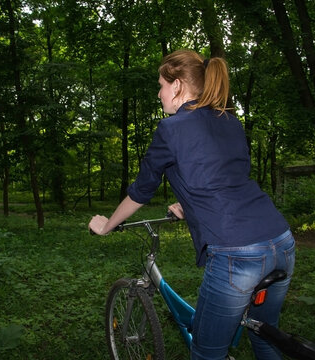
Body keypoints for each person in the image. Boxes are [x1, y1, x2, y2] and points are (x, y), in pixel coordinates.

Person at [88, 49, 295, 360]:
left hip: (237, 254)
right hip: (281, 242)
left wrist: (106, 226)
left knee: (207, 352)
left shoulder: (171, 129)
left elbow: (141, 191)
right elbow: (228, 178)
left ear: (177, 85)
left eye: (160, 85)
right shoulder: (230, 121)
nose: (159, 94)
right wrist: (190, 204)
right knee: (264, 337)